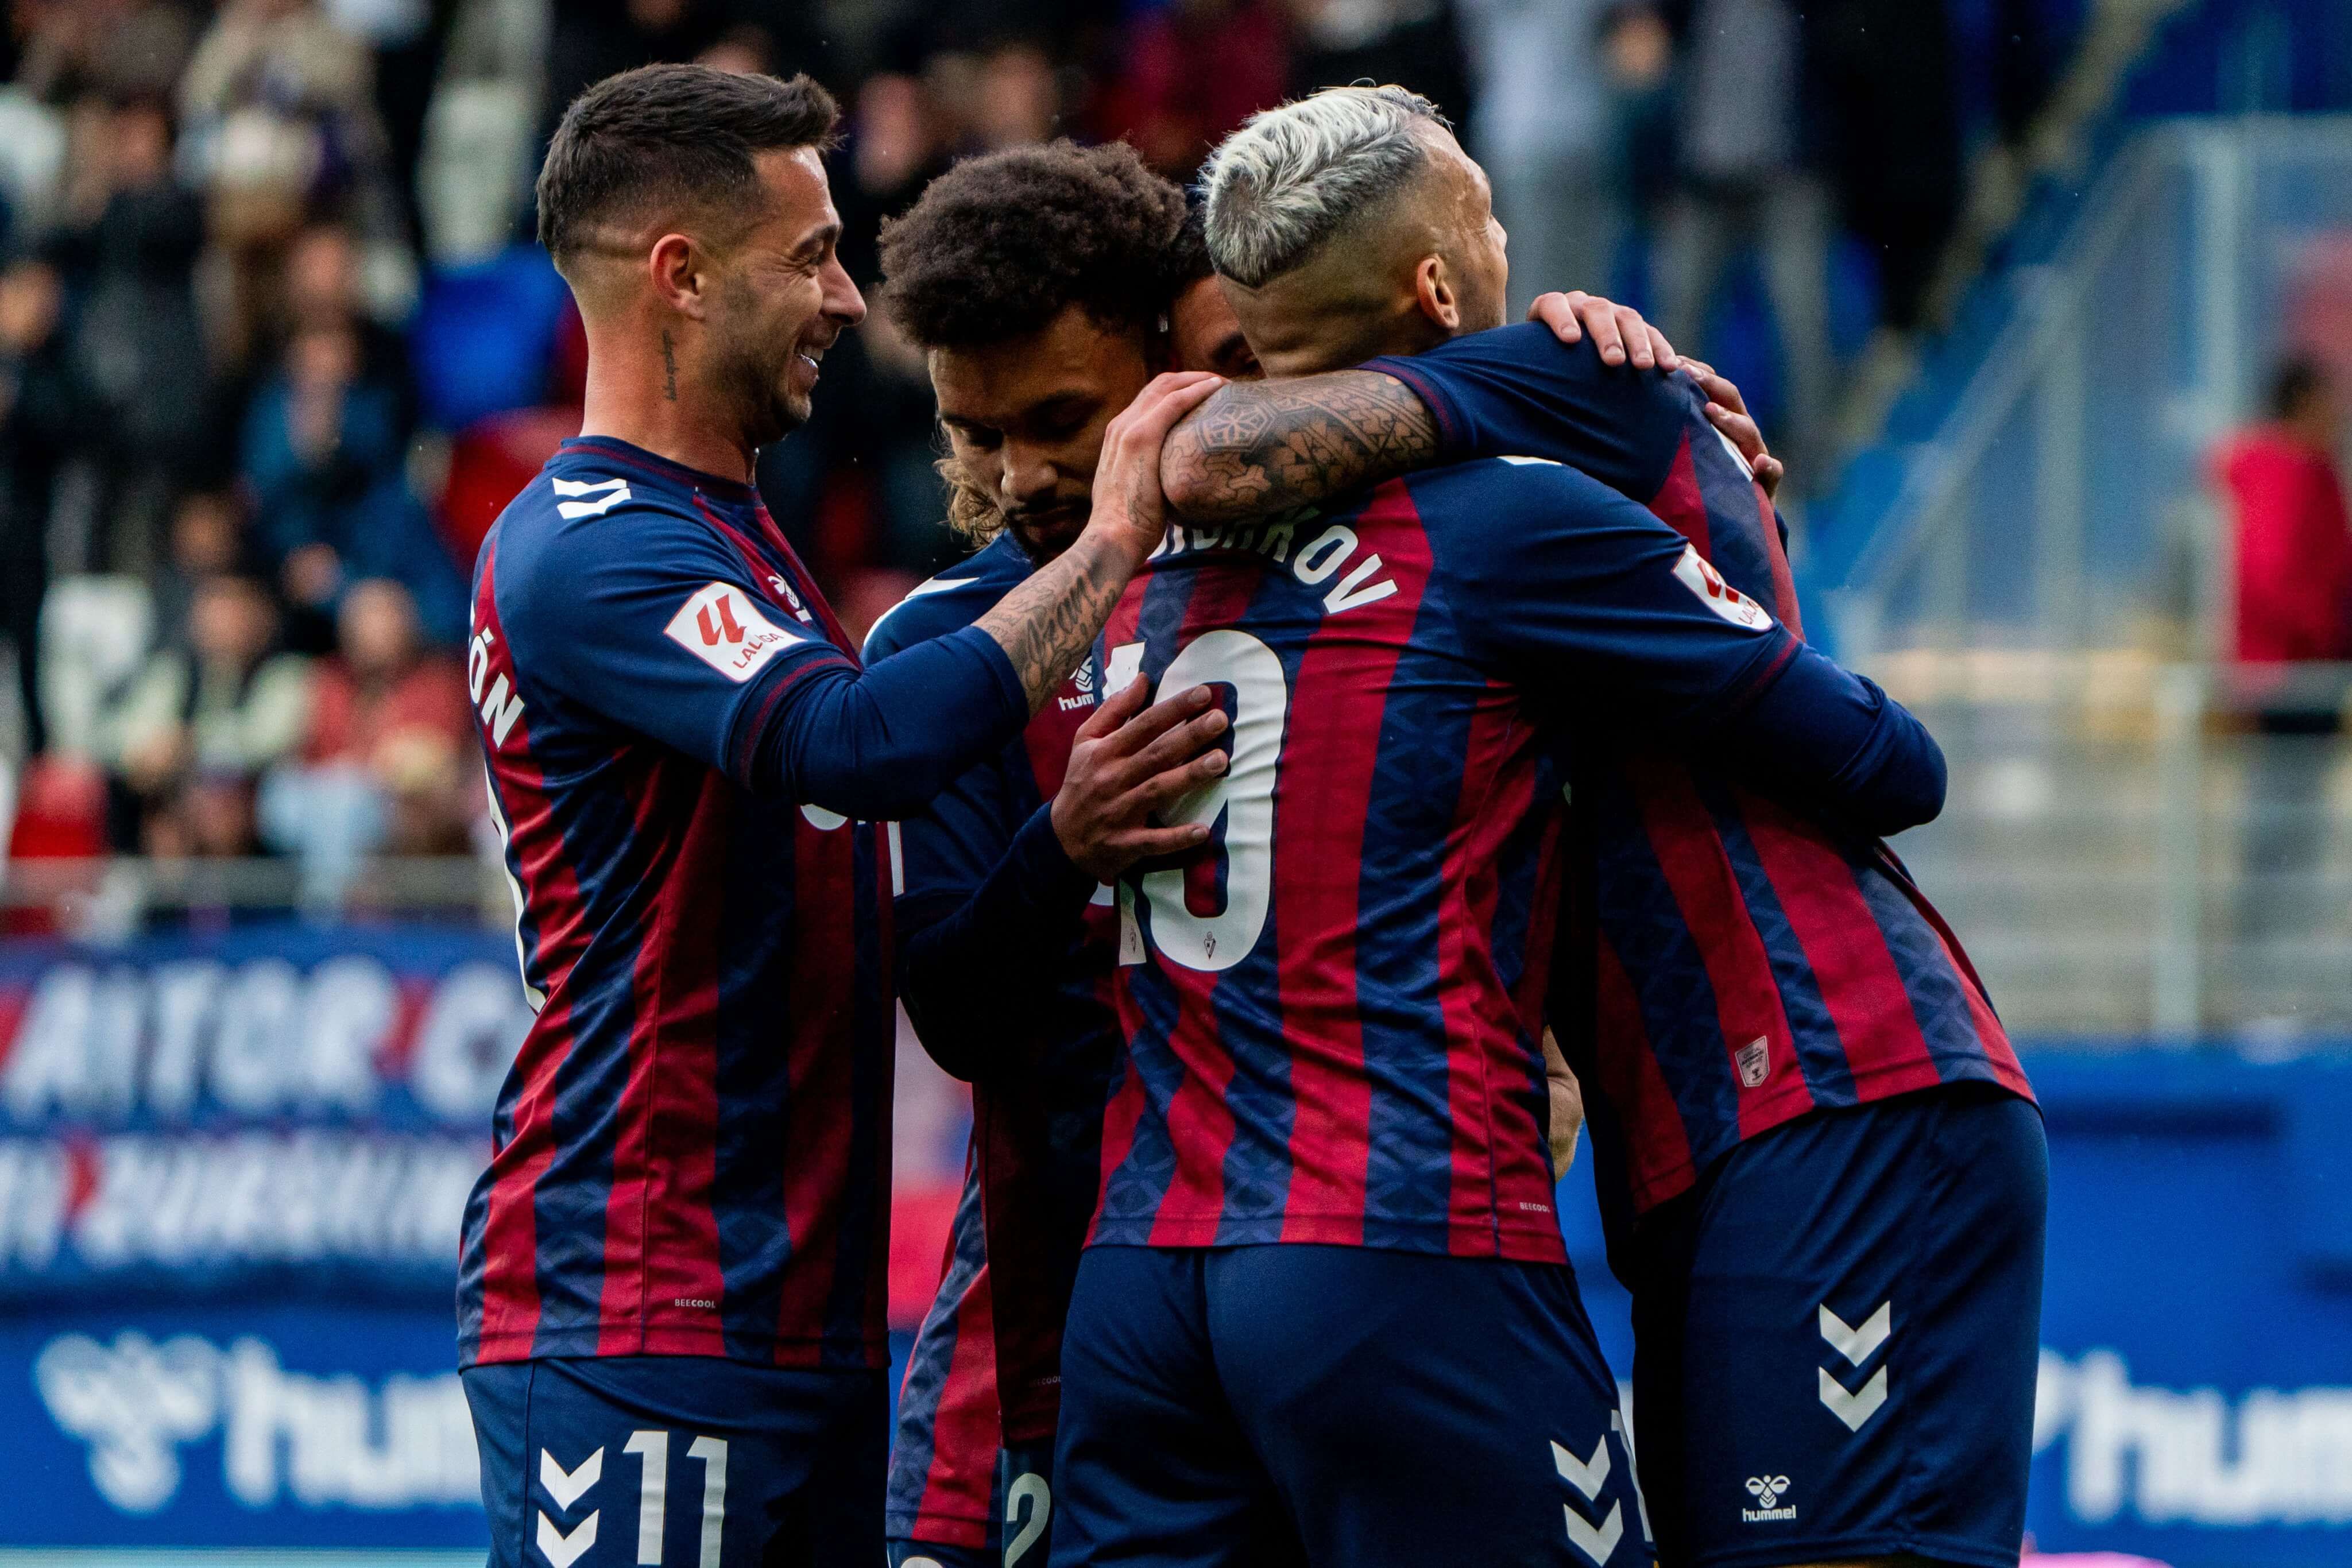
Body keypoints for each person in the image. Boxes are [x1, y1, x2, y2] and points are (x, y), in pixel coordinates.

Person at [1045, 86, 1949, 1567]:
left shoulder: (1138, 571)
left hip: (1141, 1269)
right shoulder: (1518, 518)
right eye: (1493, 233)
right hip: (1402, 1228)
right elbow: (1884, 762)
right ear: (1444, 287)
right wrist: (1708, 538)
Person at [865, 137, 1764, 1568]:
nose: (1022, 473)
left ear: (1182, 382)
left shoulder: (1350, 584)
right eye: (974, 433)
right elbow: (955, 1013)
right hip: (1043, 1333)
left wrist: (1594, 368)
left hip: (1306, 1266)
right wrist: (1063, 850)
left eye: (1061, 422)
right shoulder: (946, 656)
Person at [452, 65, 1218, 1568]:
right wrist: (1123, 528)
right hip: (644, 1303)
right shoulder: (591, 549)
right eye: (810, 254)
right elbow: (855, 742)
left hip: (791, 1310)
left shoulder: (729, 535)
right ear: (679, 274)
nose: (846, 301)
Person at [2216, 357, 2352, 945]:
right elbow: (2270, 576)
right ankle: (2259, 949)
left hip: (2305, 669)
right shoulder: (2284, 473)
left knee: (2292, 818)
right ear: (2300, 405)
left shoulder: (2311, 473)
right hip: (2289, 675)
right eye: (2327, 401)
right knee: (2279, 816)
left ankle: (2272, 945)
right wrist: (2319, 637)